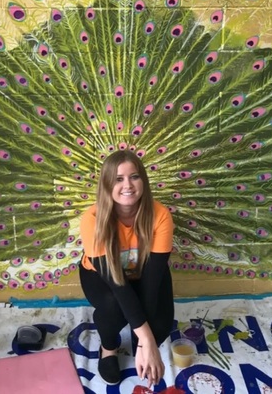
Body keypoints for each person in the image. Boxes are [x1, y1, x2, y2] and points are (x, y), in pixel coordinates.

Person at [79, 150, 175, 387]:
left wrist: (145, 341)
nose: (128, 185)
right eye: (118, 179)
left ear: (143, 180)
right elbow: (117, 285)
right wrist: (145, 337)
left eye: (134, 177)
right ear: (106, 184)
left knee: (160, 325)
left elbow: (151, 285)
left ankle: (140, 337)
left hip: (144, 274)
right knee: (113, 306)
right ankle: (108, 348)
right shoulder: (92, 219)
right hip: (104, 278)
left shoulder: (161, 216)